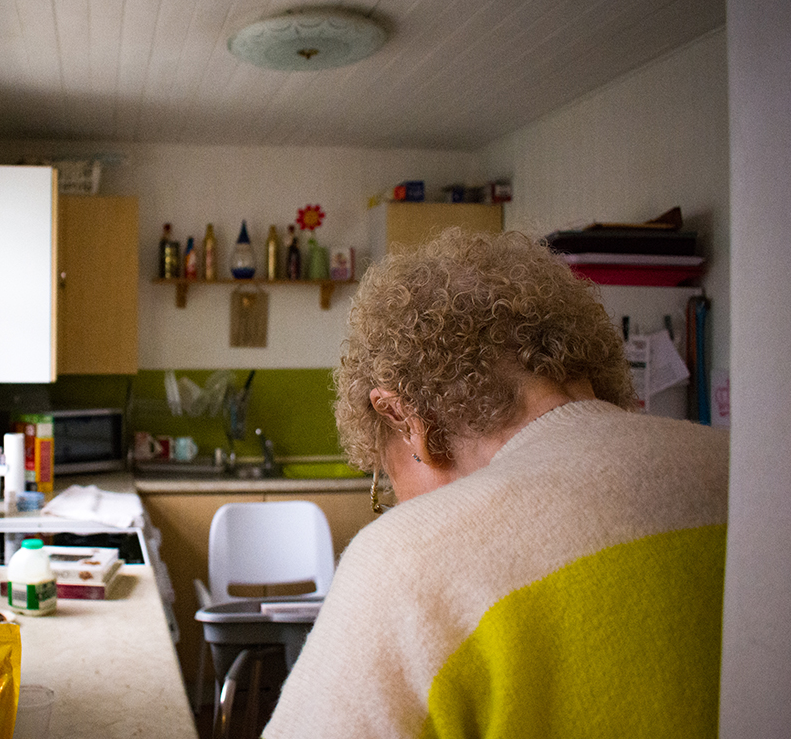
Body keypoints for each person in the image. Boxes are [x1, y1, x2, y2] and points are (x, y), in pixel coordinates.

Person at [263, 229, 728, 738]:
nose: (400, 507)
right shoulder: (739, 470)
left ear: (401, 416)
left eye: (387, 485)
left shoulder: (409, 558)